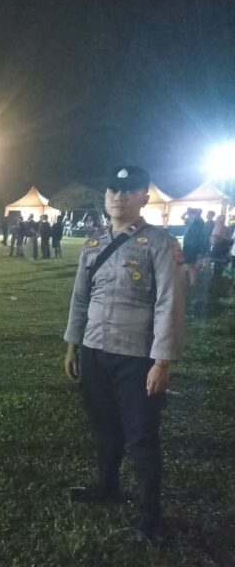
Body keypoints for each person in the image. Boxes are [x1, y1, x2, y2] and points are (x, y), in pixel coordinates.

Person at [63, 166, 186, 541]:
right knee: (104, 426)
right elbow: (80, 298)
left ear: (143, 198)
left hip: (137, 357)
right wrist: (72, 344)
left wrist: (162, 361)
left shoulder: (161, 243)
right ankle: (107, 486)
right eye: (113, 189)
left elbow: (169, 303)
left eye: (129, 190)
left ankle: (151, 518)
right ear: (105, 196)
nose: (119, 196)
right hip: (94, 350)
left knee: (141, 435)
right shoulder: (93, 243)